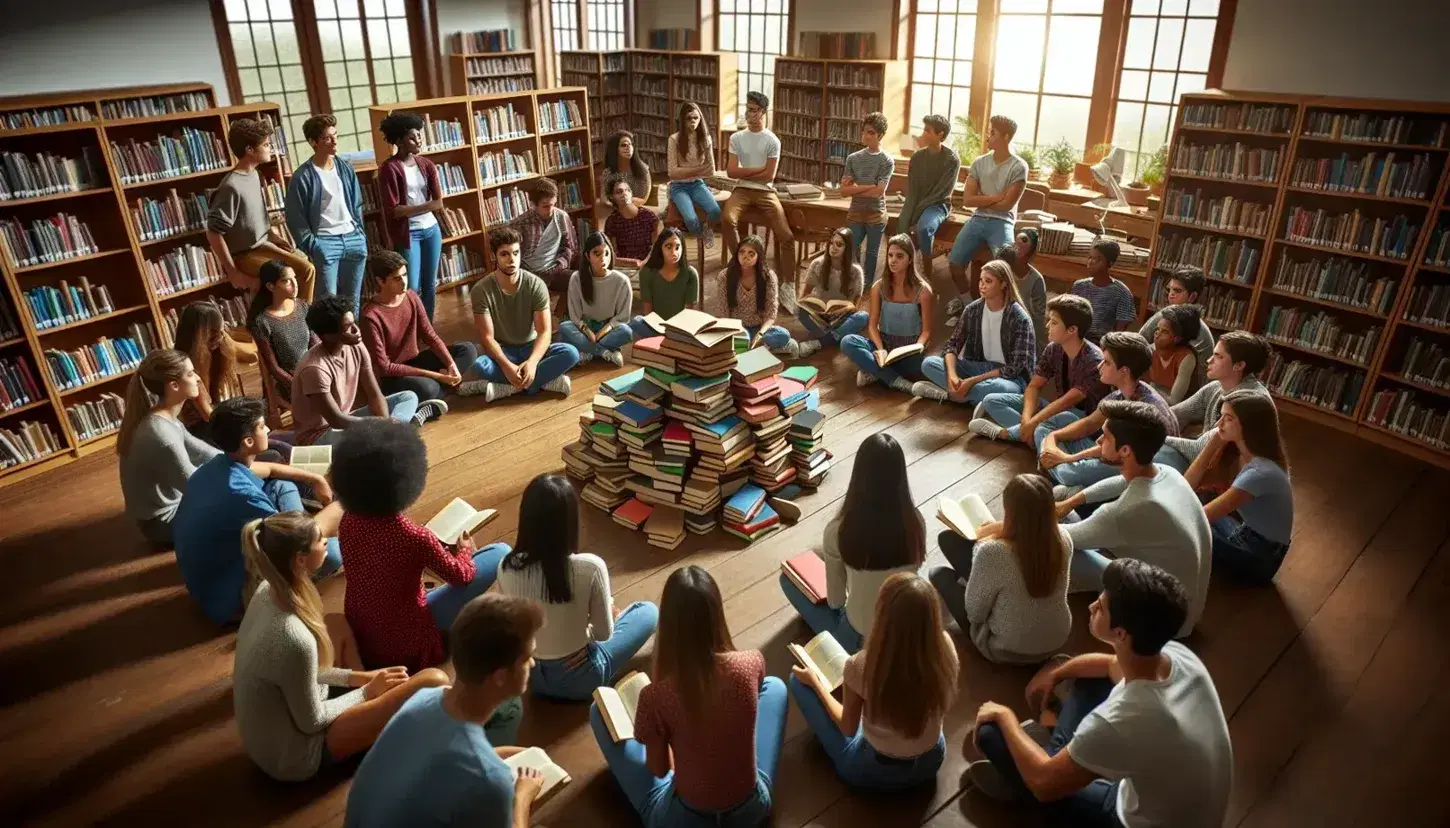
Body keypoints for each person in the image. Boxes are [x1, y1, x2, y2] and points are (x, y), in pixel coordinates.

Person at [970, 559, 1232, 828]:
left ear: (1120, 634)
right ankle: (1054, 756)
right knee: (1087, 677)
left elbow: (1043, 782)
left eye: (1101, 607)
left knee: (992, 733)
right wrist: (1058, 672)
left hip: (1132, 819)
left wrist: (1005, 717)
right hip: (1173, 798)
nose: (1092, 605)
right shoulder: (1177, 657)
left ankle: (1034, 771)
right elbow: (1109, 666)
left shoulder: (1123, 718)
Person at [234, 510, 450, 782]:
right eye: (320, 539)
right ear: (300, 559)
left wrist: (359, 678)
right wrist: (368, 691)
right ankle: (379, 716)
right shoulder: (292, 636)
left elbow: (301, 669)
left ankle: (374, 709)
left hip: (286, 719)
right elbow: (310, 721)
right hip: (296, 754)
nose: (327, 540)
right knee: (434, 680)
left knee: (335, 622)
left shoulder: (267, 589)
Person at [589, 565, 788, 827]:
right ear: (717, 614)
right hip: (750, 811)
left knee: (598, 712)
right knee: (774, 687)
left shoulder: (655, 696)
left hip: (684, 820)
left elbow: (659, 770)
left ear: (669, 626)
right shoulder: (751, 662)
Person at [344, 594, 548, 828]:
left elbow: (441, 759)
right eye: (528, 658)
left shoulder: (422, 700)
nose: (532, 664)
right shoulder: (492, 783)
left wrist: (496, 759)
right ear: (500, 677)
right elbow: (483, 775)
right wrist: (522, 797)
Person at [332, 420, 512, 674]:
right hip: (407, 644)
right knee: (500, 553)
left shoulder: (347, 521)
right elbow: (462, 576)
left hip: (363, 632)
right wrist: (465, 549)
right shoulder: (415, 537)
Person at [171, 397, 342, 625]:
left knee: (282, 484)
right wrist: (338, 508)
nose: (268, 429)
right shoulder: (242, 494)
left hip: (208, 582)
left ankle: (298, 520)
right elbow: (300, 539)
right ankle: (303, 524)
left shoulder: (217, 465)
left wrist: (315, 477)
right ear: (248, 441)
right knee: (332, 553)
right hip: (232, 601)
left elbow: (269, 468)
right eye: (262, 427)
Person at [1052, 400, 1212, 638]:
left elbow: (1056, 537)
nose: (1098, 441)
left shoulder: (1127, 511)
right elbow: (1121, 481)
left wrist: (999, 526)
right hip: (1186, 605)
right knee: (1064, 494)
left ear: (1125, 450)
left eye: (1104, 437)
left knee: (1058, 547)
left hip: (1162, 620)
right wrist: (1068, 504)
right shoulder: (1169, 473)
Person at [496, 473, 659, 701]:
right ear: (571, 520)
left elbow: (512, 630)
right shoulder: (590, 568)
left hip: (529, 677)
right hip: (581, 680)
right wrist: (586, 635)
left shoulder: (506, 566)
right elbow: (603, 634)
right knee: (648, 611)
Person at [789, 572, 958, 791]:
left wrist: (817, 684)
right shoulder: (945, 647)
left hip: (874, 770)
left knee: (798, 681)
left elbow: (847, 727)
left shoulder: (862, 665)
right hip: (931, 761)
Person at [779, 433, 924, 652]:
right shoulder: (915, 522)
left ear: (858, 476)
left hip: (858, 640)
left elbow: (836, 601)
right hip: (904, 634)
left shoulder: (839, 530)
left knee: (788, 580)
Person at [927, 474, 1073, 664]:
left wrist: (983, 546)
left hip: (1005, 650)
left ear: (1009, 512)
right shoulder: (1064, 539)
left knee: (938, 574)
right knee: (948, 541)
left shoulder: (992, 552)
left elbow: (975, 613)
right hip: (1056, 639)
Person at [1037, 331, 1179, 493]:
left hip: (1137, 469)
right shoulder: (1121, 394)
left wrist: (1067, 458)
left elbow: (1123, 452)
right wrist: (1053, 437)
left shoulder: (1144, 410)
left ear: (1124, 370)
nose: (1099, 366)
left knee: (1068, 473)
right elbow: (1090, 423)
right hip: (1112, 451)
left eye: (1106, 362)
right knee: (1048, 426)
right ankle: (1054, 462)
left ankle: (1053, 465)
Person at [460, 226, 580, 402]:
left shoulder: (536, 285)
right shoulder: (481, 290)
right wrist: (507, 367)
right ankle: (545, 383)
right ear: (494, 256)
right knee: (480, 365)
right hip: (504, 351)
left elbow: (544, 332)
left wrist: (532, 363)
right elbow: (487, 338)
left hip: (531, 348)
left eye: (516, 253)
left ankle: (506, 388)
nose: (512, 259)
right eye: (505, 254)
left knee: (571, 353)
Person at [970, 294, 1109, 445]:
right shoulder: (1053, 349)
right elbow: (1034, 386)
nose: (1048, 325)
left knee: (1063, 418)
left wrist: (1034, 421)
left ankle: (1004, 434)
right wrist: (1026, 419)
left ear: (1072, 330)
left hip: (1082, 420)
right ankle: (1030, 435)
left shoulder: (1093, 360)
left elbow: (1067, 401)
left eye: (1054, 322)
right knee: (991, 400)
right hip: (1057, 410)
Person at [1185, 390, 1293, 584]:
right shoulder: (1242, 451)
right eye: (1221, 417)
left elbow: (1201, 517)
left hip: (1260, 557)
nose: (1219, 424)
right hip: (1248, 534)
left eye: (1228, 419)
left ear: (1248, 427)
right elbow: (1187, 485)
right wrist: (1215, 441)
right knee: (1196, 498)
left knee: (1181, 528)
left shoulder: (1259, 472)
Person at [117, 349, 221, 546]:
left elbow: (204, 452)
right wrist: (249, 471)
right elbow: (198, 486)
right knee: (242, 507)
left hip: (177, 508)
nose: (198, 378)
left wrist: (240, 460)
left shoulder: (166, 419)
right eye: (191, 374)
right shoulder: (160, 434)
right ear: (174, 385)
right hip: (164, 524)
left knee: (268, 465)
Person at [289, 296, 426, 446]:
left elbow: (374, 394)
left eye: (354, 322)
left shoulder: (356, 346)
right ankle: (403, 426)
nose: (356, 330)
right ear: (328, 336)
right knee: (365, 440)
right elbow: (336, 420)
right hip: (320, 436)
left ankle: (395, 431)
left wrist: (385, 424)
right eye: (348, 327)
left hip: (346, 420)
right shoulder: (314, 369)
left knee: (407, 398)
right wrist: (378, 426)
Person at [206, 117, 315, 298]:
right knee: (293, 274)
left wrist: (274, 237)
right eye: (265, 145)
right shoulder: (231, 187)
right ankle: (299, 320)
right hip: (245, 255)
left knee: (307, 268)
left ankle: (301, 319)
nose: (270, 148)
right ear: (249, 150)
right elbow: (213, 232)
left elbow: (256, 219)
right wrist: (233, 272)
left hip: (264, 245)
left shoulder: (255, 175)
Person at [359, 248, 477, 410]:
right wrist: (438, 376)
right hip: (393, 377)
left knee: (468, 349)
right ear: (381, 281)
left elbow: (430, 335)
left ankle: (438, 394)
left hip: (416, 362)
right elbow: (385, 368)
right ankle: (441, 393)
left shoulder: (411, 297)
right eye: (396, 278)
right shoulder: (370, 316)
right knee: (430, 388)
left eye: (405, 275)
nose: (404, 282)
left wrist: (451, 365)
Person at [915, 259, 1035, 405]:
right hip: (976, 367)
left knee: (1002, 388)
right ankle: (976, 399)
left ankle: (951, 395)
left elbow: (1017, 367)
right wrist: (952, 376)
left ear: (1003, 284)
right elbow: (952, 345)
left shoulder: (1019, 318)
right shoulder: (972, 310)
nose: (982, 285)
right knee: (928, 363)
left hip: (1006, 377)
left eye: (988, 281)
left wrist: (971, 382)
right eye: (981, 280)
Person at [946, 115, 1028, 325]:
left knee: (1005, 266)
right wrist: (995, 197)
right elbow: (968, 200)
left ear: (1006, 137)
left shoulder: (1019, 166)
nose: (988, 136)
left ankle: (1001, 312)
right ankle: (968, 305)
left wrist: (984, 199)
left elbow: (1007, 205)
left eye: (992, 133)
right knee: (955, 263)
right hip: (978, 218)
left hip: (1003, 221)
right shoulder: (979, 163)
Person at [285, 113, 368, 306]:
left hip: (354, 238)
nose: (334, 142)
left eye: (336, 136)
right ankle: (331, 337)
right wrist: (313, 246)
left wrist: (360, 233)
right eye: (327, 138)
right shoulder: (302, 176)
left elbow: (356, 204)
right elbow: (294, 217)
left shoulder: (345, 168)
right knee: (327, 304)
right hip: (325, 242)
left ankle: (351, 336)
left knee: (353, 301)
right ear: (313, 142)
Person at [1161, 331, 1272, 472]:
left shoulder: (1248, 401)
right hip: (1206, 463)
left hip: (1227, 475)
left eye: (1218, 356)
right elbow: (1172, 415)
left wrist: (1153, 435)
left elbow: (1198, 449)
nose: (1209, 360)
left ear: (1239, 366)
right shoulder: (1216, 387)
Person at [841, 233, 934, 393]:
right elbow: (872, 325)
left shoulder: (923, 291)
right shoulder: (878, 287)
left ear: (910, 259)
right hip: (883, 345)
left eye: (899, 256)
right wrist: (880, 348)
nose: (893, 260)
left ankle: (875, 372)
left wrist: (918, 346)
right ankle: (896, 381)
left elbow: (926, 331)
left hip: (909, 350)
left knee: (925, 364)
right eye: (890, 255)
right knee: (847, 341)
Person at [377, 111, 444, 319]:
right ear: (399, 141)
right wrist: (426, 206)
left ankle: (428, 326)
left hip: (431, 230)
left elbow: (439, 202)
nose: (418, 140)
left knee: (430, 284)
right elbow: (394, 211)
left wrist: (414, 208)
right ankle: (412, 327)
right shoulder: (389, 169)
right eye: (412, 137)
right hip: (409, 233)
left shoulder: (427, 165)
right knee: (411, 286)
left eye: (419, 136)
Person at [721, 91, 795, 277]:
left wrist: (748, 172)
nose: (749, 114)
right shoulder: (736, 138)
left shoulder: (772, 140)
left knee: (787, 235)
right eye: (747, 109)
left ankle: (788, 282)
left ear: (763, 112)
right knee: (728, 219)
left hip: (765, 191)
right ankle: (741, 264)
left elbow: (769, 176)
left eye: (753, 110)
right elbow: (731, 171)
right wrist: (759, 169)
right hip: (741, 190)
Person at [706, 235, 800, 357]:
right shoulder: (725, 276)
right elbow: (723, 311)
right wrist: (734, 331)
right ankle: (762, 349)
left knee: (783, 334)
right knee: (737, 340)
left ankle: (753, 347)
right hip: (736, 328)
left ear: (758, 257)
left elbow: (771, 313)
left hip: (759, 328)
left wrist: (760, 334)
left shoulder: (769, 277)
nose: (745, 257)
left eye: (751, 254)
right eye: (742, 252)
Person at [173, 301, 252, 439]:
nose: (220, 337)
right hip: (201, 434)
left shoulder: (217, 349)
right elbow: (208, 415)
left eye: (222, 331)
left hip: (216, 423)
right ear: (198, 338)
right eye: (213, 333)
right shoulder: (186, 369)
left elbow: (250, 357)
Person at [248, 261, 317, 420]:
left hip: (311, 371)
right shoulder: (262, 321)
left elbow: (315, 343)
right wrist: (298, 384)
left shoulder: (303, 307)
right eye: (286, 280)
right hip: (288, 383)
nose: (295, 284)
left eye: (294, 278)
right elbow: (272, 367)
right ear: (271, 286)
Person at [896, 115, 960, 282]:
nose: (923, 134)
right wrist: (907, 216)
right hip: (917, 202)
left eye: (928, 131)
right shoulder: (916, 158)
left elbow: (941, 193)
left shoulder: (952, 160)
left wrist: (916, 214)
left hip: (938, 205)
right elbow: (913, 191)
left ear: (940, 135)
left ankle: (927, 274)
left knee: (924, 228)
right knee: (900, 226)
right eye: (924, 129)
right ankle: (902, 273)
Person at [558, 231, 634, 367]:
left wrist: (604, 331)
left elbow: (623, 317)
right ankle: (605, 353)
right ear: (587, 256)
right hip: (585, 329)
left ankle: (588, 351)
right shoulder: (576, 278)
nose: (603, 258)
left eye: (606, 253)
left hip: (609, 328)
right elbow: (575, 316)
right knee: (564, 327)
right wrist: (588, 331)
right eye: (596, 253)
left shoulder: (622, 281)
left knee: (626, 332)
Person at [837, 111, 894, 287]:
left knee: (872, 254)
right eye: (864, 131)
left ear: (880, 136)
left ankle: (867, 286)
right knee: (852, 249)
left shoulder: (886, 160)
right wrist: (869, 186)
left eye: (871, 133)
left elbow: (878, 192)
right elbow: (844, 191)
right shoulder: (853, 158)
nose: (866, 136)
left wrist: (857, 189)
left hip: (876, 213)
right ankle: (855, 281)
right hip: (855, 212)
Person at [794, 227, 868, 356]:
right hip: (820, 315)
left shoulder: (856, 271)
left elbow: (856, 305)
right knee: (799, 311)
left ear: (848, 249)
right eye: (831, 243)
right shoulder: (817, 264)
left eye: (839, 245)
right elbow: (804, 296)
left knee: (863, 317)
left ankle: (819, 342)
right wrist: (810, 305)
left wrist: (842, 310)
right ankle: (837, 336)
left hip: (841, 316)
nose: (833, 247)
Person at [1140, 266, 1215, 391]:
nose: (1170, 295)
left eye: (1177, 291)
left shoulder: (1199, 330)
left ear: (1192, 297)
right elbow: (1140, 339)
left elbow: (1201, 378)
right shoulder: (1165, 314)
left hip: (1185, 387)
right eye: (1169, 290)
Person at [629, 227, 700, 337]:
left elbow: (689, 312)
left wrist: (675, 331)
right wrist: (658, 329)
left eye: (677, 247)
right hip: (655, 326)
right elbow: (648, 311)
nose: (674, 252)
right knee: (635, 322)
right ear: (660, 248)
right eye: (668, 246)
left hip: (680, 329)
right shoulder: (647, 273)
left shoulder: (690, 274)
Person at [511, 177, 577, 293]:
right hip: (529, 274)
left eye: (553, 204)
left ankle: (566, 311)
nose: (551, 209)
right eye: (546, 206)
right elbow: (514, 256)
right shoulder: (519, 224)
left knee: (579, 281)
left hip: (555, 270)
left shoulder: (561, 217)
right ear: (533, 205)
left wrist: (560, 265)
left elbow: (569, 247)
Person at [667, 102, 720, 247]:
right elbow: (672, 173)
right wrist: (699, 169)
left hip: (697, 184)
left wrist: (684, 171)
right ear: (683, 120)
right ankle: (700, 236)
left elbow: (711, 171)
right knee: (690, 219)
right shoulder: (674, 139)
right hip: (678, 187)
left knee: (716, 211)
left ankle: (707, 230)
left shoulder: (705, 139)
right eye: (688, 118)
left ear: (700, 119)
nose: (692, 121)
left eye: (696, 118)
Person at [1070, 239, 1137, 343]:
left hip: (1102, 343)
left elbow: (1119, 333)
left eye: (1097, 259)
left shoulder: (1121, 292)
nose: (1091, 262)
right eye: (1090, 257)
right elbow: (1070, 318)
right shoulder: (1079, 286)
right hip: (1077, 338)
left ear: (1109, 263)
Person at [1000, 231, 1048, 354]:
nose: (1018, 247)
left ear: (1031, 253)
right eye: (1017, 242)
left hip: (1023, 328)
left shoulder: (1036, 280)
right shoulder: (1003, 270)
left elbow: (1037, 318)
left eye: (1025, 242)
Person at [1147, 304, 1202, 405]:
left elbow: (1174, 401)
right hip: (1154, 402)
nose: (1157, 334)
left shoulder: (1186, 358)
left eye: (1164, 332)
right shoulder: (1150, 350)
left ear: (1177, 338)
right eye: (1157, 329)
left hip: (1179, 409)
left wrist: (1145, 393)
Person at [603, 176, 662, 267]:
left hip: (650, 263)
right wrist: (633, 263)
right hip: (626, 267)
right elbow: (612, 254)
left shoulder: (648, 216)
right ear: (612, 197)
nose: (624, 194)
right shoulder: (612, 221)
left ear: (631, 193)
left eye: (627, 190)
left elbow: (657, 247)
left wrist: (644, 263)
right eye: (619, 192)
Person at [601, 129, 653, 209]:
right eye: (623, 145)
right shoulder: (608, 172)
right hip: (616, 211)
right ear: (615, 149)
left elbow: (643, 199)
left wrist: (626, 201)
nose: (628, 147)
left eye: (630, 144)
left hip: (637, 210)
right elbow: (604, 199)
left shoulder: (643, 169)